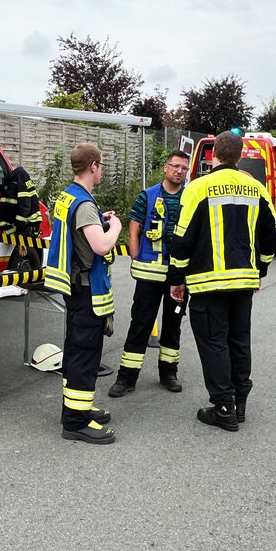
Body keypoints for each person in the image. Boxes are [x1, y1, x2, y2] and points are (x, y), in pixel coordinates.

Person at [168, 131, 276, 431]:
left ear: (213, 154)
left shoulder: (196, 188)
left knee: (214, 342)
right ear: (241, 155)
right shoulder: (257, 189)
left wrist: (177, 279)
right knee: (239, 340)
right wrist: (261, 271)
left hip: (207, 284)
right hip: (244, 283)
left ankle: (224, 407)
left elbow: (182, 240)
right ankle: (240, 402)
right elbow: (271, 239)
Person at [45, 143, 121, 444]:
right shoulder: (85, 204)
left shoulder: (68, 196)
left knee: (77, 351)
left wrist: (99, 222)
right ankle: (76, 422)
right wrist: (113, 226)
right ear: (93, 166)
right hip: (87, 290)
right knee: (84, 355)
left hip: (74, 286)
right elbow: (101, 246)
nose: (101, 170)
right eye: (100, 165)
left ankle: (77, 408)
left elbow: (78, 233)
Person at [108, 151, 188, 398]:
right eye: (176, 166)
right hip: (149, 274)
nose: (180, 172)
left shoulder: (190, 197)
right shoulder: (148, 195)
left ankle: (168, 373)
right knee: (140, 324)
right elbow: (134, 229)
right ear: (165, 168)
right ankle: (126, 378)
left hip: (179, 275)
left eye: (184, 168)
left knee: (173, 324)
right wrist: (135, 259)